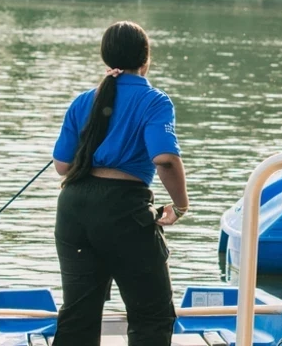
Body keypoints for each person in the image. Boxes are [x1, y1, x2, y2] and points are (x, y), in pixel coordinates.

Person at [52, 21, 189, 346]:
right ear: (146, 59)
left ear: (106, 58)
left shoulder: (85, 100)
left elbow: (62, 166)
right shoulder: (154, 101)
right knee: (152, 315)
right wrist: (181, 206)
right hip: (122, 210)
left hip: (73, 209)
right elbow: (165, 159)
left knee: (78, 316)